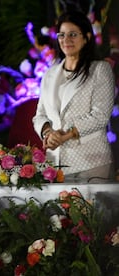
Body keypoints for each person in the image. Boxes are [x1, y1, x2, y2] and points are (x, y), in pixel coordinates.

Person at [33, 10, 115, 181]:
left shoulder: (100, 69)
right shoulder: (50, 73)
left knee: (91, 208)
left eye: (73, 34)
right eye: (62, 35)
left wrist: (65, 135)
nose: (66, 40)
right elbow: (39, 115)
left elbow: (100, 116)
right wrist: (48, 133)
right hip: (55, 163)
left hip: (91, 161)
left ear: (86, 37)